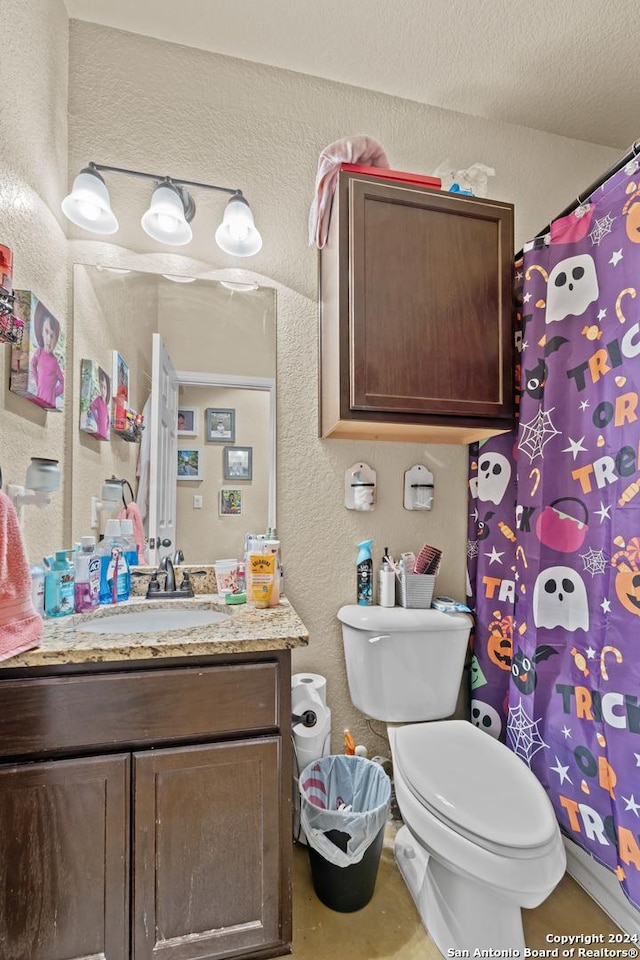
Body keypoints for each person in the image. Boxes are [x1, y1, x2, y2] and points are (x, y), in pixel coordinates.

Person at [30, 301, 64, 408]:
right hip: (39, 397)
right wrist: (37, 380)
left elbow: (63, 383)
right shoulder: (39, 352)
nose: (49, 339)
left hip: (50, 402)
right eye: (46, 332)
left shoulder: (54, 361)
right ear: (41, 332)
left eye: (52, 335)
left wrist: (54, 393)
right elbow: (32, 365)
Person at [89, 367, 111, 439]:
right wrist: (96, 418)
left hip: (104, 432)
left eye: (105, 387)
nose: (103, 390)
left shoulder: (106, 404)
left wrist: (107, 427)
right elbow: (91, 407)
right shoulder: (98, 400)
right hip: (99, 430)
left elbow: (107, 418)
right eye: (101, 387)